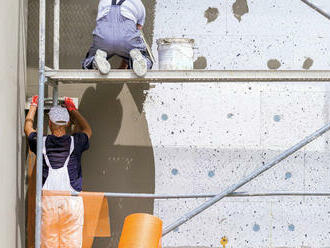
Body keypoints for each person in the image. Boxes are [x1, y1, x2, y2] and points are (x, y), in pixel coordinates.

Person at [24, 96, 92, 248]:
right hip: (72, 202)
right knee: (72, 244)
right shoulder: (77, 141)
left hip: (49, 201)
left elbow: (28, 129)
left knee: (48, 244)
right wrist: (73, 110)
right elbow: (87, 129)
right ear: (67, 124)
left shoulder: (41, 142)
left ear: (49, 124)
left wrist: (34, 105)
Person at [82, 0, 153, 77]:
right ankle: (138, 59)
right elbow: (138, 28)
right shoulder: (137, 2)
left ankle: (95, 61)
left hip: (104, 34)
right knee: (143, 57)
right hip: (127, 35)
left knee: (87, 62)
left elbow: (100, 20)